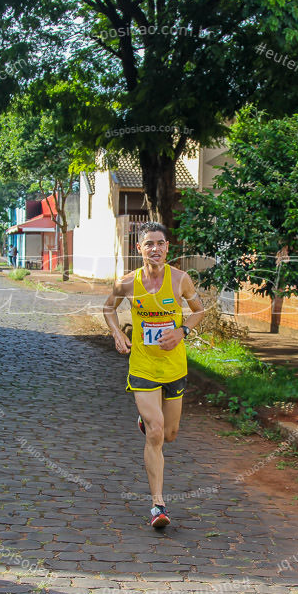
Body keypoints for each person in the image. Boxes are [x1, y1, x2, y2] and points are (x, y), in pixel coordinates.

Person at [103, 221, 205, 529]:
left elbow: (200, 310)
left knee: (170, 434)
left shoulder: (180, 280)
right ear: (139, 249)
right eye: (149, 244)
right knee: (157, 431)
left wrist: (182, 331)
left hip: (174, 367)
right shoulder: (127, 283)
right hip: (143, 365)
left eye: (160, 243)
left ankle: (148, 423)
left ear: (167, 248)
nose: (155, 249)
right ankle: (158, 505)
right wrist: (117, 333)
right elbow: (108, 308)